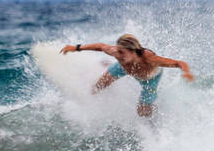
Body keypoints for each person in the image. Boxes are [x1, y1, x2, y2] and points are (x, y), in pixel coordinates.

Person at [60, 34, 194, 117]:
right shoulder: (118, 54)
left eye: (122, 52)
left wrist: (186, 72)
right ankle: (105, 67)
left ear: (133, 51)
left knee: (143, 113)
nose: (118, 54)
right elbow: (100, 46)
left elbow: (179, 63)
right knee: (98, 87)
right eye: (117, 51)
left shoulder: (149, 58)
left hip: (149, 79)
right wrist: (76, 48)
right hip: (122, 69)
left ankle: (157, 113)